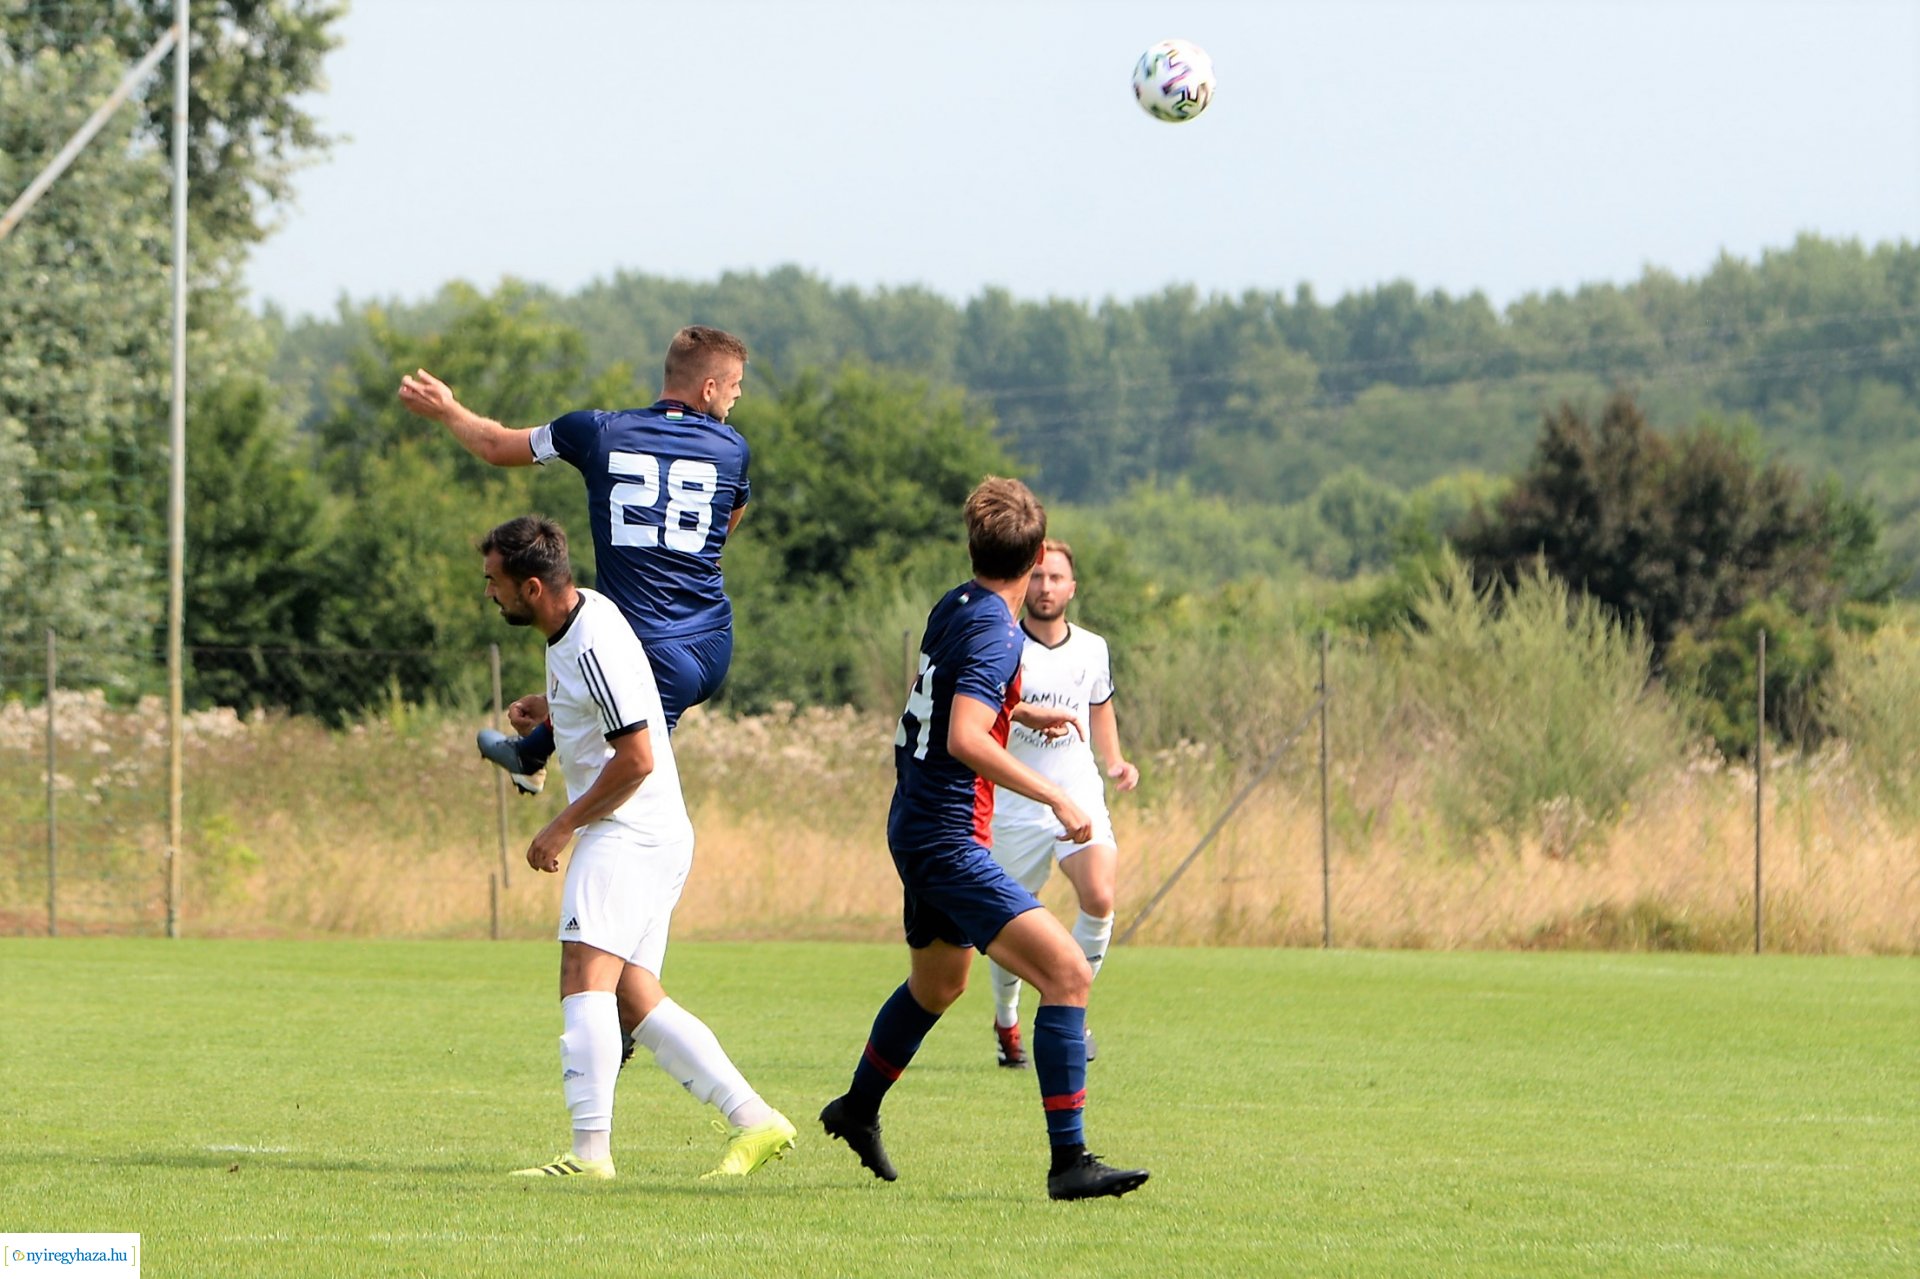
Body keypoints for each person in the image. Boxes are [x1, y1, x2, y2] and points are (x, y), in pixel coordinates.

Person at [818, 478, 1150, 1202]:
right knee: (1067, 972)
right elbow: (965, 736)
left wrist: (1016, 709)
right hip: (944, 834)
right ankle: (1070, 1163)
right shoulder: (1000, 634)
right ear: (1036, 558)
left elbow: (947, 703)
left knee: (940, 983)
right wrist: (1056, 791)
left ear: (974, 546)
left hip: (917, 821)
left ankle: (857, 1107)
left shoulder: (957, 604)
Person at [478, 514, 795, 1181]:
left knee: (581, 977)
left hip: (629, 830)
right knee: (633, 997)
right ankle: (755, 1118)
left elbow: (639, 756)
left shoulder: (589, 637)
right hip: (653, 832)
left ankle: (589, 1155)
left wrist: (561, 823)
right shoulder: (579, 619)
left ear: (532, 586)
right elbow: (616, 702)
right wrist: (555, 708)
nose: (490, 594)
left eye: (495, 583)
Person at [400, 325, 752, 794]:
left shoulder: (596, 431)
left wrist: (447, 411)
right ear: (709, 389)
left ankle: (537, 761)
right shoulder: (733, 449)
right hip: (713, 637)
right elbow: (730, 518)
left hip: (647, 647)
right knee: (615, 745)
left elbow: (494, 446)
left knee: (626, 793)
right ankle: (533, 749)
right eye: (735, 387)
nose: (737, 397)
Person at [987, 539, 1139, 1069]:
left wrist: (1115, 761)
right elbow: (984, 712)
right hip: (1015, 802)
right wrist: (1026, 711)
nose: (1045, 587)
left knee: (1099, 895)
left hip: (1077, 793)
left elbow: (1100, 706)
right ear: (1022, 583)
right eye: (1037, 577)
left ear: (1072, 588)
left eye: (1055, 578)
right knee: (1012, 921)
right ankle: (1007, 1019)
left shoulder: (1093, 647)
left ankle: (1068, 1011)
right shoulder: (1003, 643)